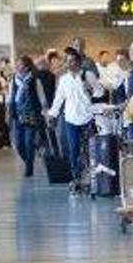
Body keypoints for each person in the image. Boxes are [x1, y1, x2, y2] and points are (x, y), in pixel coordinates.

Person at [46, 48, 94, 189]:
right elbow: (59, 98)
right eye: (67, 61)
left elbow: (100, 91)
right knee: (73, 149)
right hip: (71, 119)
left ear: (78, 62)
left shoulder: (88, 75)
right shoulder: (64, 79)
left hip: (88, 118)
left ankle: (91, 177)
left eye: (72, 60)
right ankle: (75, 178)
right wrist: (52, 114)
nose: (69, 63)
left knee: (88, 150)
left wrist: (89, 89)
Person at [7, 56, 48, 177]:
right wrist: (8, 112)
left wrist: (45, 112)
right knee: (19, 144)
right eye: (17, 65)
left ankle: (29, 168)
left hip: (32, 115)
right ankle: (28, 162)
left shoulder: (35, 80)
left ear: (27, 67)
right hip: (17, 115)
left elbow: (42, 97)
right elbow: (10, 97)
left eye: (20, 65)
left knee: (29, 142)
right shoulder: (14, 80)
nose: (18, 67)